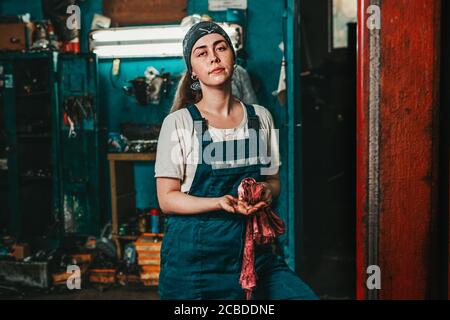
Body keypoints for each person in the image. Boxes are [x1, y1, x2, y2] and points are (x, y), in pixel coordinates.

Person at [154, 21, 318, 300]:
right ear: (192, 70)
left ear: (233, 57)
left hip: (256, 255)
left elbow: (273, 181)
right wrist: (218, 202)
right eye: (201, 53)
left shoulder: (260, 117)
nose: (214, 57)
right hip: (197, 265)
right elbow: (167, 199)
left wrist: (267, 192)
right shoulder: (179, 123)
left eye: (221, 48)